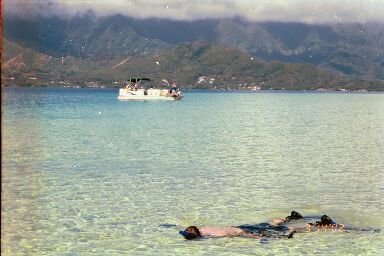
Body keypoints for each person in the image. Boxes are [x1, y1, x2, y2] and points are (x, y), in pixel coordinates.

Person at [179, 211, 340, 240]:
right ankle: (295, 219)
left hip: (246, 228)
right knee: (273, 225)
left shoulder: (207, 233)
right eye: (188, 231)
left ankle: (305, 223)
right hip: (246, 228)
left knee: (274, 227)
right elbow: (235, 233)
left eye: (187, 231)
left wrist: (254, 236)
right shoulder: (206, 232)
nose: (187, 229)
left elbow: (237, 234)